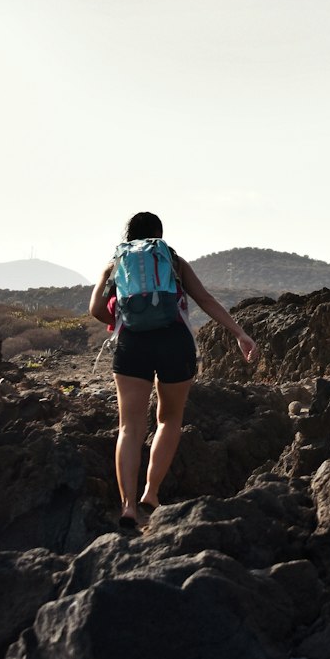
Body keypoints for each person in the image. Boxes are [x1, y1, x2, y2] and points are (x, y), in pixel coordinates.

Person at [89, 211, 259, 530]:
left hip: (132, 344)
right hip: (174, 341)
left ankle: (127, 507)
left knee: (129, 427)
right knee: (168, 419)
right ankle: (150, 495)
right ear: (159, 236)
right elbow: (205, 299)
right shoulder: (173, 261)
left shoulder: (115, 265)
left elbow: (95, 309)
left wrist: (120, 321)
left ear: (128, 237)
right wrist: (240, 333)